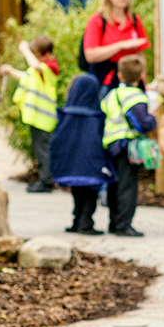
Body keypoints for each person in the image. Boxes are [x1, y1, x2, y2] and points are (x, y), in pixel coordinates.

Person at [50, 73, 113, 235]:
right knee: (91, 191)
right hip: (91, 162)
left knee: (77, 190)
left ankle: (76, 219)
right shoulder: (96, 116)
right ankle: (86, 222)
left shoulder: (65, 115)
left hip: (71, 162)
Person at [100, 54, 155, 237]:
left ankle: (114, 222)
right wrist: (152, 116)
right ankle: (125, 224)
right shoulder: (135, 96)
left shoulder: (112, 94)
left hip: (110, 143)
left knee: (114, 184)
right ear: (140, 77)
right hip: (126, 145)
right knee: (128, 185)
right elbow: (145, 123)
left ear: (120, 75)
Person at [0, 35, 60, 193]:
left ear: (45, 54)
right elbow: (27, 76)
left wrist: (25, 50)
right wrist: (11, 71)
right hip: (36, 117)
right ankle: (44, 178)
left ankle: (46, 181)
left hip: (43, 117)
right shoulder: (40, 68)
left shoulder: (50, 66)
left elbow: (35, 66)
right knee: (39, 149)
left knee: (43, 150)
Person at [82, 0, 148, 92]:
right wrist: (121, 46)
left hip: (131, 80)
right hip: (106, 81)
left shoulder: (134, 20)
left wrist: (144, 83)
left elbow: (140, 55)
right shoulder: (98, 20)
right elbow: (90, 55)